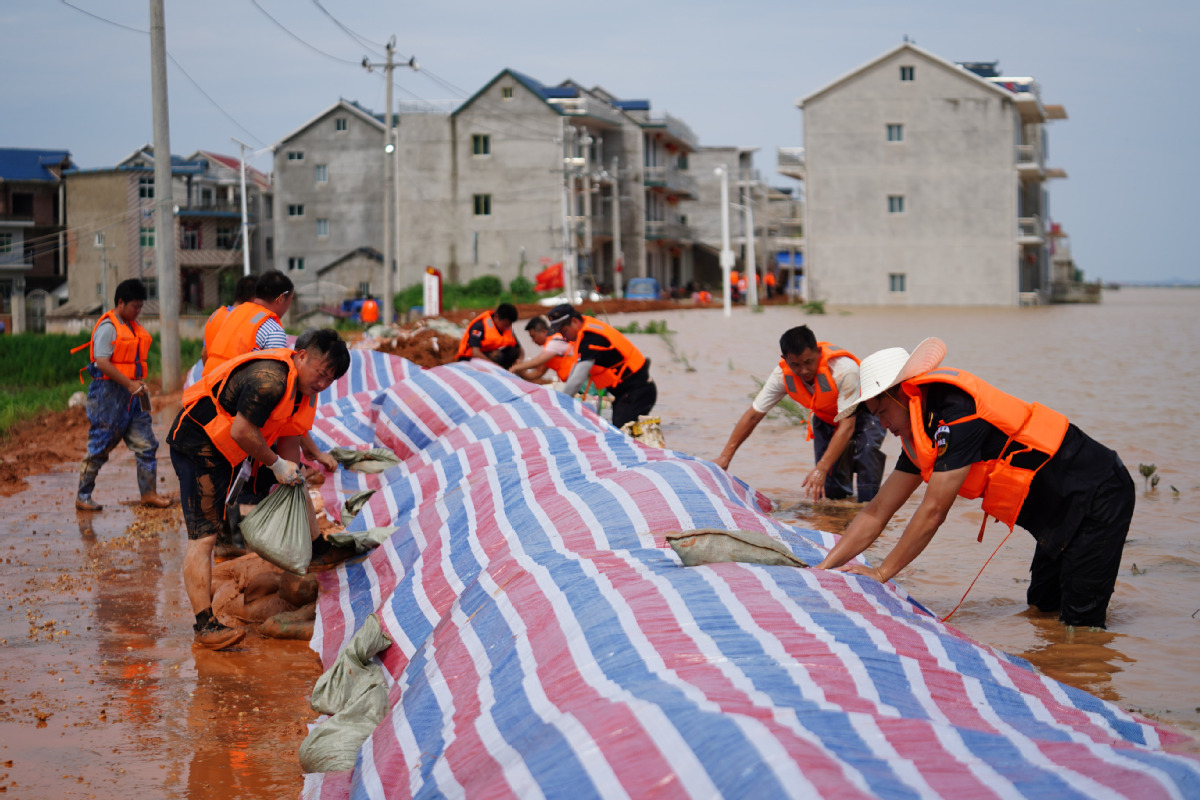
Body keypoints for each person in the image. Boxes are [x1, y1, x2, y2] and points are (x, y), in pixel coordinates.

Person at [815, 338, 1135, 629]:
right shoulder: (922, 431)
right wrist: (825, 568)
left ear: (903, 393)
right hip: (1057, 512)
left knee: (1080, 628)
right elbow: (878, 510)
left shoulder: (959, 415)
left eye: (883, 412)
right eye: (875, 416)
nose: (882, 424)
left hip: (1098, 495)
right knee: (1042, 608)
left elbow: (934, 511)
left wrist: (881, 573)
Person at [167, 328, 352, 649]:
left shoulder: (304, 390)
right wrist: (275, 464)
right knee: (203, 536)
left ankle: (319, 548)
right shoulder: (270, 380)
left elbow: (291, 438)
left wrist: (291, 472)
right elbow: (241, 430)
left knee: (293, 482)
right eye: (321, 373)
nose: (322, 383)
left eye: (330, 380)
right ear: (301, 355)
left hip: (227, 449)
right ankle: (205, 625)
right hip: (198, 442)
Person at [715, 326, 885, 502]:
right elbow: (753, 415)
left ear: (818, 352)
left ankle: (869, 509)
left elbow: (847, 426)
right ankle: (836, 519)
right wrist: (725, 457)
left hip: (863, 414)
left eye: (808, 362)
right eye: (795, 364)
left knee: (867, 460)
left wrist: (821, 467)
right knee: (831, 491)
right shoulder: (781, 375)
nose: (803, 370)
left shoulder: (843, 370)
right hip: (826, 419)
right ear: (785, 360)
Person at [204, 270, 335, 475]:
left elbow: (207, 356)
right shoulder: (272, 330)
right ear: (282, 298)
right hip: (236, 420)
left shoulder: (227, 316)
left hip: (208, 402)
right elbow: (278, 402)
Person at [71, 279, 172, 512]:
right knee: (99, 446)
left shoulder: (132, 327)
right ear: (120, 303)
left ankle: (149, 494)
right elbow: (102, 363)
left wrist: (136, 386)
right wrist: (129, 384)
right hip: (108, 395)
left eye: (140, 307)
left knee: (147, 444)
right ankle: (83, 495)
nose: (138, 311)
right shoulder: (108, 327)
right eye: (134, 307)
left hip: (132, 395)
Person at [546, 304, 656, 429]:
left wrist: (560, 405)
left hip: (638, 392)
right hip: (627, 392)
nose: (564, 337)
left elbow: (577, 379)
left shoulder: (591, 339)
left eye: (564, 331)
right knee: (622, 431)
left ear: (574, 321)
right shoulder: (584, 331)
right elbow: (574, 371)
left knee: (623, 434)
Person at [203, 270, 292, 376]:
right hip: (234, 390)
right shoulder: (273, 330)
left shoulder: (231, 315)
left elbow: (206, 354)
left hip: (209, 386)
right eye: (289, 301)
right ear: (281, 298)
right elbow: (275, 377)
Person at [200, 275, 257, 363]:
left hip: (211, 373)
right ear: (254, 299)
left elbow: (204, 354)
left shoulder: (215, 316)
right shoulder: (248, 321)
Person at [508, 315, 576, 384]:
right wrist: (521, 372)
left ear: (544, 332)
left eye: (533, 336)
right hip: (573, 379)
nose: (533, 340)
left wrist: (516, 367)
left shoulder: (555, 340)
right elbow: (538, 373)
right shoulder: (548, 351)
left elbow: (537, 361)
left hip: (580, 377)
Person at [455, 303, 522, 368]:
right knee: (496, 355)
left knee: (513, 352)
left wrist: (519, 360)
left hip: (490, 357)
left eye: (509, 325)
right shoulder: (479, 326)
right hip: (469, 358)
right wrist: (495, 366)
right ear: (496, 317)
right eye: (505, 325)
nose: (506, 327)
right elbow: (475, 353)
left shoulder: (507, 328)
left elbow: (519, 349)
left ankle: (506, 371)